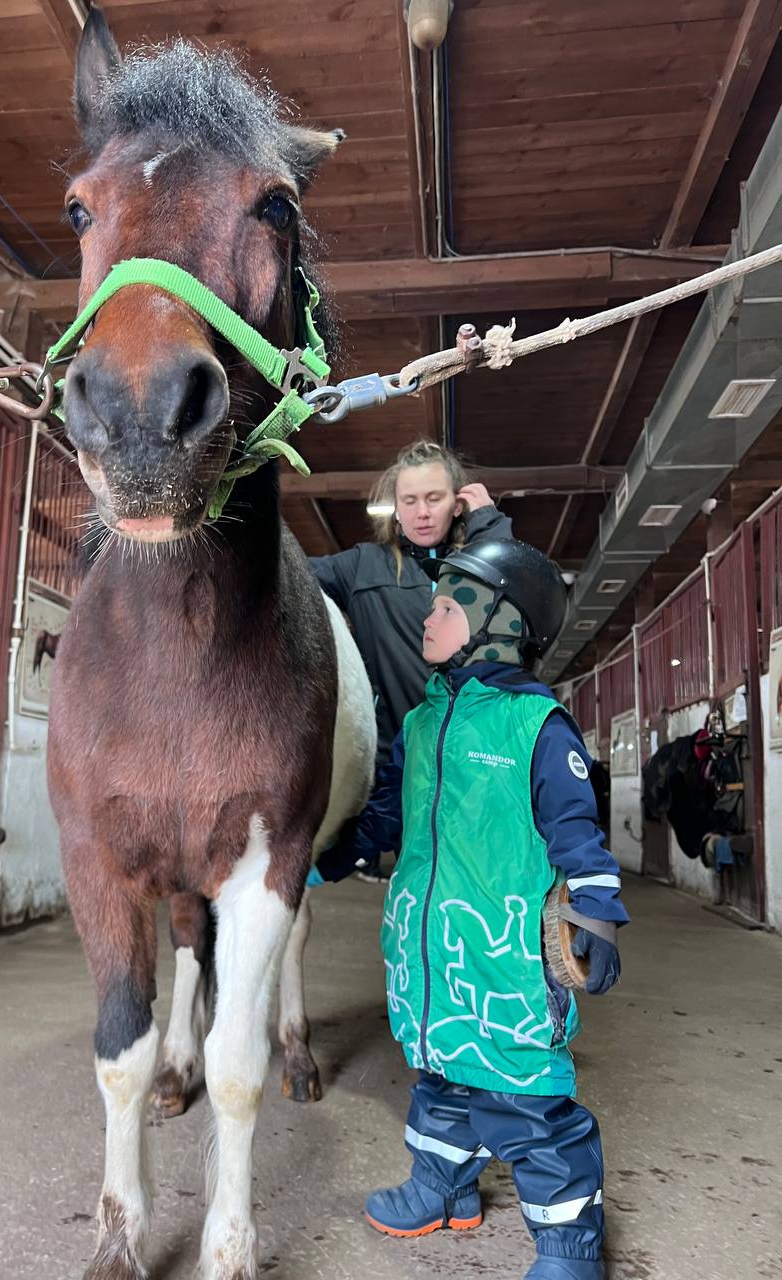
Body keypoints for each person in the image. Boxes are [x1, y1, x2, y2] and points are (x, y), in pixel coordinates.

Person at [313, 537, 628, 1280]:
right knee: (439, 1079)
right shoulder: (419, 725)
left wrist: (599, 911)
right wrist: (319, 862)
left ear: (502, 624)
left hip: (508, 967)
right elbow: (383, 820)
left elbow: (578, 833)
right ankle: (441, 1185)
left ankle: (568, 1244)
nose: (430, 616)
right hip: (431, 965)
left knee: (529, 1103)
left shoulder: (536, 728)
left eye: (449, 606)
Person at [311, 439, 512, 881]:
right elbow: (285, 574)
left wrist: (491, 527)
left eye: (434, 499)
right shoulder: (363, 567)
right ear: (396, 509)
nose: (422, 512)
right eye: (410, 501)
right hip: (398, 768)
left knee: (480, 887)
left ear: (457, 504)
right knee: (417, 888)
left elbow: (513, 600)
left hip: (475, 762)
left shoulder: (479, 561)